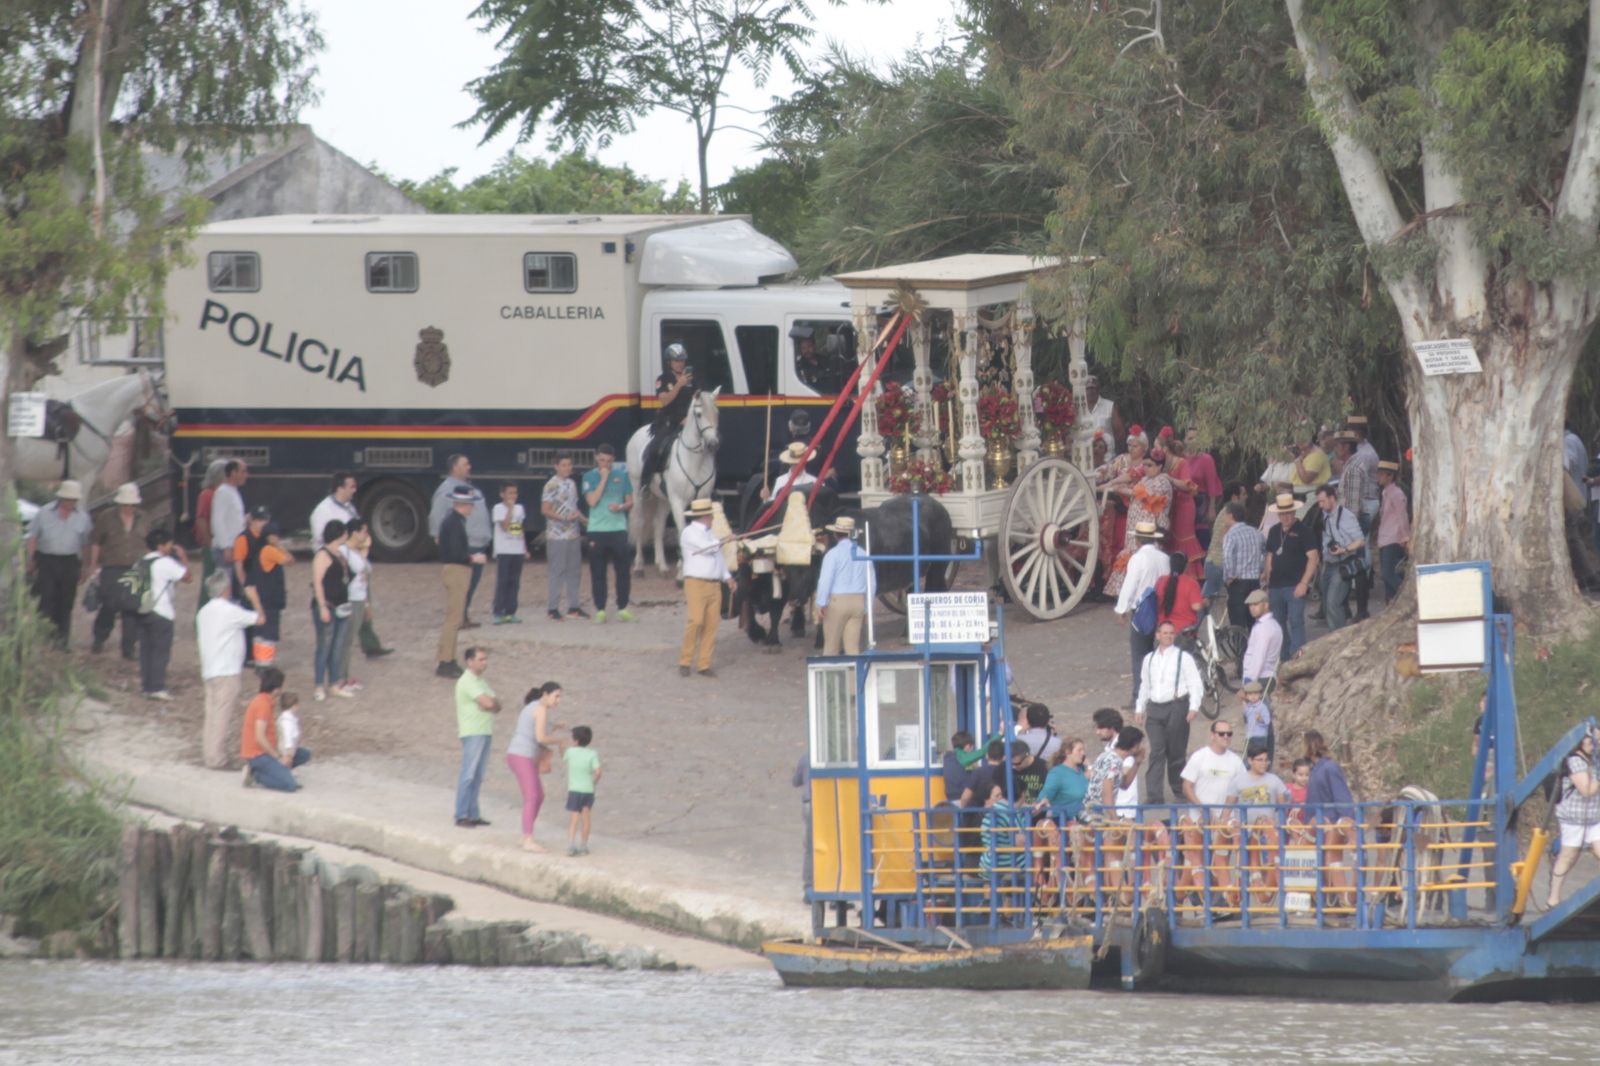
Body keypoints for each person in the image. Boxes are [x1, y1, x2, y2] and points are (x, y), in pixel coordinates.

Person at [196, 569, 263, 770]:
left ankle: (210, 754)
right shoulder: (229, 610)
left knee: (212, 714)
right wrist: (255, 598)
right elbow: (260, 619)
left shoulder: (203, 611)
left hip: (210, 668)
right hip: (226, 669)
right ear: (226, 589)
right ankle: (217, 759)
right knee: (222, 715)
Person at [1135, 620, 1204, 807]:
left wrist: (1193, 707)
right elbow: (1145, 685)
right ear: (1158, 635)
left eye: (1171, 633)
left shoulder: (1183, 657)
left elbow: (1195, 684)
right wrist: (1139, 708)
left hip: (1176, 705)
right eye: (1164, 633)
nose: (1168, 636)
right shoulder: (1149, 659)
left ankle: (1180, 791)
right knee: (1157, 750)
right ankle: (1154, 795)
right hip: (1155, 708)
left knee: (1176, 751)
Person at [1180, 720, 1247, 905]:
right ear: (1212, 735)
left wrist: (1225, 814)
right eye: (1221, 733)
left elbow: (1239, 789)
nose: (1226, 737)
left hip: (1224, 821)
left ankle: (1223, 900)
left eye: (1229, 734)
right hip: (1199, 820)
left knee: (1221, 861)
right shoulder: (1199, 757)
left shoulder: (1235, 761)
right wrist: (1203, 809)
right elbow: (1187, 786)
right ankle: (1198, 900)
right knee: (1197, 861)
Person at [24, 479, 92, 648]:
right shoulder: (44, 512)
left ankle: (62, 640)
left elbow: (85, 544)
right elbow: (32, 537)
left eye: (74, 500)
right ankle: (44, 638)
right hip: (46, 560)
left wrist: (85, 566)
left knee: (66, 601)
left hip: (69, 562)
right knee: (45, 599)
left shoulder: (83, 517)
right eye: (68, 499)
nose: (71, 503)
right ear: (61, 498)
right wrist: (30, 559)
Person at [87, 482, 150, 658]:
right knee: (109, 605)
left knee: (133, 608)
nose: (128, 507)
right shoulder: (106, 517)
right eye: (124, 504)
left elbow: (148, 542)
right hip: (112, 567)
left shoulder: (144, 518)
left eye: (130, 504)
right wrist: (93, 565)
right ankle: (99, 638)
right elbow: (96, 542)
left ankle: (129, 647)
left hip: (137, 567)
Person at [428, 455, 491, 628]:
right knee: (463, 585)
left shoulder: (468, 488)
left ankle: (463, 615)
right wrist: (438, 536)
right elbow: (437, 515)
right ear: (455, 467)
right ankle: (458, 618)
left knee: (471, 584)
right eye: (465, 464)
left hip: (478, 542)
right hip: (466, 543)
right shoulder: (447, 491)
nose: (469, 467)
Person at [1114, 521, 1171, 706]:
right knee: (1158, 652)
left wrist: (1121, 609)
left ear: (1137, 540)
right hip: (1161, 608)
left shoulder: (1138, 559)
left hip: (1141, 610)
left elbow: (1130, 585)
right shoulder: (1163, 558)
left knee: (1140, 654)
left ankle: (1139, 696)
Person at [1103, 448, 1173, 599]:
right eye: (1145, 465)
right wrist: (1117, 487)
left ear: (1159, 466)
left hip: (1150, 527)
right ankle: (1126, 592)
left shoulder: (1163, 481)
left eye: (1150, 465)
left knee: (1146, 557)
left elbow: (1140, 493)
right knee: (1132, 554)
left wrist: (1118, 488)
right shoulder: (1145, 479)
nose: (1146, 468)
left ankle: (1145, 591)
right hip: (1136, 526)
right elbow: (1135, 489)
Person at [677, 497, 734, 677]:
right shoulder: (689, 533)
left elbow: (718, 557)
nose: (712, 518)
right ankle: (685, 660)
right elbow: (707, 549)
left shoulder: (711, 534)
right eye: (711, 515)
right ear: (705, 516)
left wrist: (727, 577)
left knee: (712, 624)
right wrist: (725, 540)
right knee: (696, 621)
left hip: (713, 583)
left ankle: (704, 663)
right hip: (696, 582)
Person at [506, 681, 566, 853]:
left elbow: (538, 728)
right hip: (521, 755)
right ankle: (527, 838)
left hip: (522, 756)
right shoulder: (540, 709)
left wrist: (555, 726)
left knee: (539, 795)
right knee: (532, 795)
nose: (558, 700)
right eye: (556, 696)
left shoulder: (534, 706)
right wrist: (560, 741)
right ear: (545, 694)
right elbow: (541, 737)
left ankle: (526, 834)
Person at [1228, 739, 1291, 904]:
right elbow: (1227, 808)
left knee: (1271, 866)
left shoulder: (1274, 780)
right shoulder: (1238, 781)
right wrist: (1228, 823)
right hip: (1245, 833)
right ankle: (1237, 901)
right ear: (1250, 760)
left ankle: (1270, 896)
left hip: (1267, 834)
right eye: (1260, 760)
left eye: (1266, 760)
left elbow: (1283, 804)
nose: (1264, 764)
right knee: (1242, 867)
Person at [1261, 492, 1320, 661]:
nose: (1285, 517)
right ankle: (1285, 658)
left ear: (1294, 512)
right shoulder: (1273, 531)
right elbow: (1270, 557)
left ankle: (1298, 658)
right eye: (1282, 513)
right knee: (1278, 624)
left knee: (1296, 621)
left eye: (1288, 513)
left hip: (1295, 584)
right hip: (1276, 586)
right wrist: (1267, 579)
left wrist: (1304, 583)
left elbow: (1313, 558)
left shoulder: (1304, 531)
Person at [1546, 727, 1600, 909]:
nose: (1595, 745)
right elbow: (1587, 790)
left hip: (1595, 817)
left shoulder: (1594, 760)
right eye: (1592, 740)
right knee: (1569, 855)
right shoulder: (1575, 761)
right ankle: (1553, 898)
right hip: (1573, 818)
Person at [435, 486, 484, 679]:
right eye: (470, 504)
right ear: (463, 504)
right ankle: (445, 661)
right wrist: (473, 558)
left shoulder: (452, 521)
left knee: (454, 618)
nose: (472, 507)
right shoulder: (454, 523)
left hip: (455, 570)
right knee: (454, 618)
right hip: (456, 571)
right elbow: (456, 553)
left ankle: (448, 658)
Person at [1303, 729, 1357, 903]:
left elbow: (1341, 795)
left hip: (1330, 824)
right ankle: (1322, 901)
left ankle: (1336, 900)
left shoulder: (1329, 767)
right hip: (1316, 825)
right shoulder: (1316, 769)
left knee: (1330, 861)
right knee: (1318, 865)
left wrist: (1346, 822)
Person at [136, 528, 192, 700]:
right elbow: (188, 577)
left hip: (143, 610)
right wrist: (183, 557)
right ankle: (157, 687)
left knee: (146, 650)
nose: (170, 547)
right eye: (169, 544)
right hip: (162, 611)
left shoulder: (140, 563)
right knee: (161, 651)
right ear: (161, 546)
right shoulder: (165, 563)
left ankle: (147, 686)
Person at [582, 444, 635, 623]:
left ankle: (622, 607)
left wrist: (621, 506)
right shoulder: (589, 477)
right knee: (598, 571)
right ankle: (601, 609)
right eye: (603, 460)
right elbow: (592, 501)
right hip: (597, 530)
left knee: (623, 571)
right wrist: (604, 479)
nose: (606, 464)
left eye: (610, 461)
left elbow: (630, 501)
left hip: (618, 529)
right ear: (597, 458)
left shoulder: (622, 476)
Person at [236, 508, 292, 668]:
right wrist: (244, 585)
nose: (262, 523)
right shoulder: (265, 548)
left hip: (258, 592)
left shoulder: (262, 546)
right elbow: (239, 564)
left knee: (259, 632)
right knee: (264, 633)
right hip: (263, 595)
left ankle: (259, 661)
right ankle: (262, 664)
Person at [240, 668, 311, 791]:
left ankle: (275, 770)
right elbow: (259, 737)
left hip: (268, 750)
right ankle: (257, 774)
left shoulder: (265, 702)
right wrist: (278, 757)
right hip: (258, 754)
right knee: (290, 785)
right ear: (276, 689)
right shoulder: (262, 705)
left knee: (303, 754)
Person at [453, 646, 501, 827]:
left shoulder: (481, 681)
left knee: (477, 775)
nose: (484, 663)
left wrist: (490, 704)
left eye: (485, 659)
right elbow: (489, 702)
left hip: (484, 730)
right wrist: (490, 704)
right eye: (481, 659)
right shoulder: (468, 681)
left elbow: (496, 704)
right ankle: (461, 813)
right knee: (469, 773)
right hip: (473, 731)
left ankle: (473, 813)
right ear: (469, 661)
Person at [309, 519, 352, 702]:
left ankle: (334, 683)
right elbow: (317, 583)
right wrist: (322, 607)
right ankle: (319, 685)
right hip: (328, 606)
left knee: (337, 647)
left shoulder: (340, 554)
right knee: (324, 647)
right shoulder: (322, 556)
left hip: (341, 606)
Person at [330, 518, 374, 694]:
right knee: (344, 640)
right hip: (350, 599)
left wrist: (367, 603)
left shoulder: (355, 552)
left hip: (359, 598)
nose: (366, 535)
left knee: (348, 640)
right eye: (363, 531)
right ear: (354, 532)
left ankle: (344, 675)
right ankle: (340, 676)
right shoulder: (344, 552)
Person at [641, 343, 695, 485]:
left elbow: (697, 397)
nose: (680, 364)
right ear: (669, 362)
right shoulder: (663, 379)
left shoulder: (691, 377)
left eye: (682, 360)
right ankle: (645, 483)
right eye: (677, 361)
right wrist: (679, 385)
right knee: (655, 448)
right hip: (669, 421)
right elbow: (664, 400)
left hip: (688, 421)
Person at [815, 515, 870, 655]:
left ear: (835, 535)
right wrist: (867, 606)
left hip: (837, 602)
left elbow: (825, 580)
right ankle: (854, 677)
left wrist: (821, 603)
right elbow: (872, 581)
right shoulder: (864, 554)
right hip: (858, 601)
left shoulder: (832, 554)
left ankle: (831, 676)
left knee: (831, 647)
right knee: (853, 649)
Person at [540, 456, 585, 621]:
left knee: (574, 571)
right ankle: (552, 608)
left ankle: (574, 606)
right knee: (557, 571)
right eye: (564, 465)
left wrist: (583, 520)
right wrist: (564, 518)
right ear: (556, 466)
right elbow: (545, 509)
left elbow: (574, 507)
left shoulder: (572, 484)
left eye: (569, 465)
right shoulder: (551, 485)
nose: (567, 468)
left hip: (573, 533)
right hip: (556, 535)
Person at [1316, 484, 1366, 631]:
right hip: (1328, 563)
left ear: (1332, 498)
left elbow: (1360, 540)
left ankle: (1337, 636)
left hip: (1343, 563)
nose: (1320, 505)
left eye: (1323, 501)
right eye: (1318, 502)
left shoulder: (1346, 516)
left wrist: (1344, 549)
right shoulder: (1324, 516)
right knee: (1326, 603)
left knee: (1332, 603)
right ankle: (1342, 629)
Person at [1165, 436, 1210, 577]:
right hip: (1171, 506)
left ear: (1166, 449)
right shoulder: (1163, 464)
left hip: (1184, 504)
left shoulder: (1181, 463)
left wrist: (1170, 479)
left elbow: (1187, 484)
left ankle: (1188, 575)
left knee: (1184, 538)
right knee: (1171, 539)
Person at [488, 481, 529, 624]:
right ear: (502, 494)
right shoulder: (498, 508)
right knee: (503, 581)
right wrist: (510, 509)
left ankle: (511, 611)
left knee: (514, 582)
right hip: (504, 550)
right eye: (510, 493)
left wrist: (524, 548)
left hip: (516, 549)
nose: (513, 496)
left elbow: (518, 528)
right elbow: (505, 526)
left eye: (515, 493)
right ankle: (498, 611)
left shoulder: (520, 508)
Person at [1221, 501, 1265, 628]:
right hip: (1254, 581)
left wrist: (1229, 576)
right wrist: (1261, 569)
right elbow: (1267, 551)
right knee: (1254, 619)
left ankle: (1241, 647)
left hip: (1238, 582)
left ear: (1231, 516)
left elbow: (1227, 556)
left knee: (1238, 623)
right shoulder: (1256, 532)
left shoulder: (1230, 534)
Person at [193, 459, 228, 608]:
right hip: (211, 544)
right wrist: (209, 542)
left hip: (219, 543)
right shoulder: (207, 495)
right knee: (210, 579)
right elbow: (201, 519)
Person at [1182, 429, 1225, 551]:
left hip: (1201, 502)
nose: (1192, 441)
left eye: (1195, 438)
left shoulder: (1206, 459)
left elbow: (1212, 483)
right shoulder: (1181, 458)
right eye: (1189, 438)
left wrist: (1211, 508)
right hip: (1184, 500)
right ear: (1185, 440)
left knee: (1201, 534)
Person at [1375, 460, 1411, 601]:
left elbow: (1403, 516)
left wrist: (1405, 537)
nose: (1379, 477)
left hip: (1394, 538)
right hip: (1385, 538)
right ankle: (1391, 601)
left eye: (1382, 474)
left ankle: (1406, 597)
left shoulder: (1396, 493)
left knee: (1388, 573)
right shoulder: (1386, 493)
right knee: (1386, 576)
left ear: (1390, 476)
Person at [564, 725, 602, 857]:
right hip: (588, 790)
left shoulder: (570, 752)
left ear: (575, 740)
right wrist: (594, 781)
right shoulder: (592, 754)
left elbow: (563, 756)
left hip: (574, 790)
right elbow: (598, 771)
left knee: (574, 818)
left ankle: (571, 845)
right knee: (586, 818)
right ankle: (584, 845)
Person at [210, 461, 248, 589]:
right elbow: (217, 520)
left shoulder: (233, 492)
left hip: (235, 547)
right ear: (233, 473)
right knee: (225, 588)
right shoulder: (223, 492)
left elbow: (232, 520)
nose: (246, 475)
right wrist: (226, 546)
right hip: (226, 549)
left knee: (234, 588)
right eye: (243, 471)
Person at [1241, 589, 1282, 692]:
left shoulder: (1263, 628)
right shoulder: (1272, 624)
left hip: (1260, 678)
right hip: (1267, 676)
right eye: (1250, 605)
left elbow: (1258, 657)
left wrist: (1249, 682)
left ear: (1266, 605)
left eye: (1256, 604)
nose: (1252, 608)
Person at [1153, 551, 1204, 634]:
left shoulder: (1161, 580)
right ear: (1186, 566)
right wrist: (1204, 603)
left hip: (1163, 629)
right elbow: (1196, 607)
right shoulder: (1191, 583)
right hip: (1184, 631)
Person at [309, 472, 359, 551]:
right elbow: (319, 539)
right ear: (340, 489)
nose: (355, 490)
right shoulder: (323, 510)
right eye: (352, 487)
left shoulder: (349, 506)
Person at [1083, 375, 1124, 456]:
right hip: (1085, 456)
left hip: (1107, 457)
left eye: (1093, 388)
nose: (1091, 391)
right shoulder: (1078, 408)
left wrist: (1108, 443)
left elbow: (1120, 433)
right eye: (1088, 389)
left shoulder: (1109, 406)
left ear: (1098, 389)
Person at [1239, 679, 1273, 763]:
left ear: (1260, 694)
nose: (1253, 696)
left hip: (1260, 736)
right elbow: (1247, 718)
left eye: (1255, 693)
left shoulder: (1262, 707)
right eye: (1250, 694)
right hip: (1250, 735)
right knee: (1249, 755)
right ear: (1246, 696)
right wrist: (1244, 707)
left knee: (1259, 755)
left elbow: (1267, 721)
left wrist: (1260, 719)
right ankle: (1247, 770)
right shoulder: (1248, 706)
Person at [277, 691, 303, 771]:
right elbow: (287, 736)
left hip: (287, 747)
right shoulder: (287, 721)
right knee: (287, 761)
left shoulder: (289, 718)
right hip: (285, 749)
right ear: (294, 705)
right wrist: (289, 750)